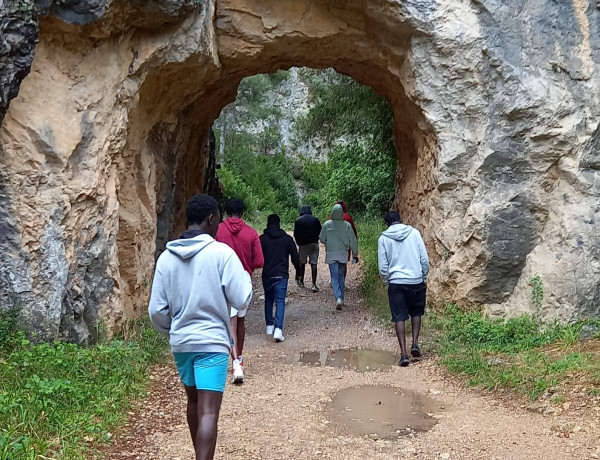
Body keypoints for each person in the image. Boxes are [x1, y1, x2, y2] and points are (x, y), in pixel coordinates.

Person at [148, 194, 252, 460]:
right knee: (208, 411)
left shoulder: (166, 258)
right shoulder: (221, 254)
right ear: (210, 219)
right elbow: (241, 298)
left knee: (193, 403)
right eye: (217, 219)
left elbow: (156, 310)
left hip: (182, 344)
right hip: (212, 345)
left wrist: (174, 329)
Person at [216, 198, 264, 382]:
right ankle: (239, 359)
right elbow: (260, 261)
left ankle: (235, 363)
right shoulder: (251, 233)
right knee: (240, 320)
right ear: (243, 212)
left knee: (230, 321)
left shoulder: (218, 230)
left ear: (226, 212)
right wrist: (247, 268)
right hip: (243, 279)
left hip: (222, 280)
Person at [377, 211, 429, 367]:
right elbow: (424, 258)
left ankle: (404, 354)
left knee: (399, 316)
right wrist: (423, 276)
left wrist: (388, 281)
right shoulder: (414, 233)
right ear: (401, 219)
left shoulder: (383, 239)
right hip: (415, 279)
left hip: (396, 282)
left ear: (387, 223)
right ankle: (415, 343)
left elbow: (383, 266)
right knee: (416, 312)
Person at [259, 214, 301, 342]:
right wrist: (299, 272)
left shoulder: (262, 239)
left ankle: (269, 326)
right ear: (279, 223)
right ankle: (278, 329)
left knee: (268, 299)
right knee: (280, 301)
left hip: (267, 274)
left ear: (267, 223)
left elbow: (257, 257)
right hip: (281, 274)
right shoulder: (287, 239)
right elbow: (295, 257)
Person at [319, 203, 358, 310]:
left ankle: (338, 298)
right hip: (343, 253)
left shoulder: (327, 224)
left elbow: (321, 238)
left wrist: (327, 242)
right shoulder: (347, 225)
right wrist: (355, 254)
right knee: (341, 275)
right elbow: (353, 241)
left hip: (331, 253)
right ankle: (342, 297)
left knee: (334, 276)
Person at [293, 205, 322, 292]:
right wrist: (316, 239)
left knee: (302, 263)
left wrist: (298, 243)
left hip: (303, 245)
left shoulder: (298, 220)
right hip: (314, 244)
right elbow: (320, 231)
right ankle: (314, 284)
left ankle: (301, 281)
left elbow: (296, 234)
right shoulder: (316, 220)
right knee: (314, 263)